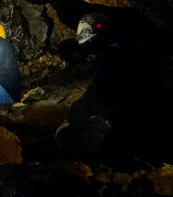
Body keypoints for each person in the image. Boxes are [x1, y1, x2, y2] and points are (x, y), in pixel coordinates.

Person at [55, 13, 132, 161]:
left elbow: (103, 95)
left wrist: (73, 116)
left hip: (122, 124)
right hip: (132, 119)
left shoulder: (109, 57)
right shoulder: (123, 51)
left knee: (65, 136)